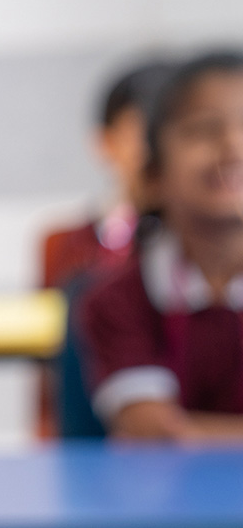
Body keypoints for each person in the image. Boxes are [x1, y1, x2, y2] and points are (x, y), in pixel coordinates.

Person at [83, 50, 243, 443]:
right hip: (169, 503)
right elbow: (155, 434)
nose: (233, 146)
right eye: (205, 129)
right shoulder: (117, 299)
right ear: (152, 176)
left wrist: (196, 432)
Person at [42, 61, 174, 291]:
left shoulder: (214, 244)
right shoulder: (65, 245)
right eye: (144, 137)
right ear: (106, 143)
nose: (158, 154)